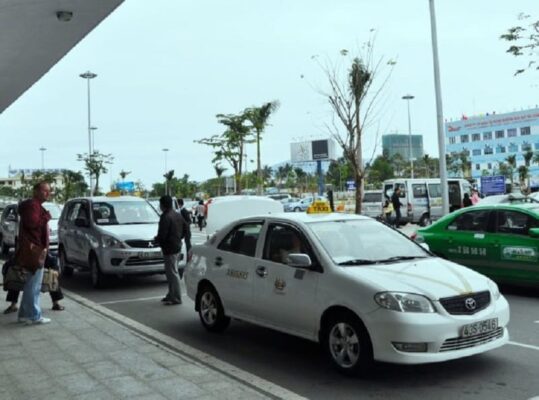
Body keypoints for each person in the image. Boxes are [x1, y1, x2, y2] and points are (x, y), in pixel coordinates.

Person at [16, 181, 52, 324]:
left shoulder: (34, 206)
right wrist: (46, 216)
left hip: (35, 248)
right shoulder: (33, 205)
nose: (48, 193)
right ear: (36, 191)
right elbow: (32, 224)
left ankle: (25, 314)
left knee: (32, 283)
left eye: (49, 191)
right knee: (34, 285)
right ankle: (32, 315)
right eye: (45, 190)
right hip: (35, 250)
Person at [155, 195, 190, 305]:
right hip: (177, 245)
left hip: (169, 248)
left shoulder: (165, 217)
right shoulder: (177, 215)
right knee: (171, 272)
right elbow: (186, 228)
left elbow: (162, 234)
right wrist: (178, 237)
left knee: (172, 273)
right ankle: (171, 294)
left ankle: (176, 297)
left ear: (163, 205)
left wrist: (158, 240)